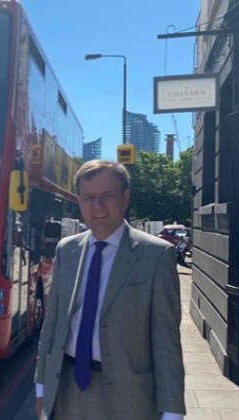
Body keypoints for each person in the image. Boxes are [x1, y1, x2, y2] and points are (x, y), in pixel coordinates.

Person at [34, 160, 185, 420]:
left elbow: (166, 339)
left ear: (125, 198)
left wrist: (172, 412)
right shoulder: (66, 250)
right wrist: (40, 387)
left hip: (128, 396)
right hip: (66, 387)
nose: (98, 206)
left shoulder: (157, 255)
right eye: (88, 197)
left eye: (108, 196)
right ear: (79, 202)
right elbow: (53, 323)